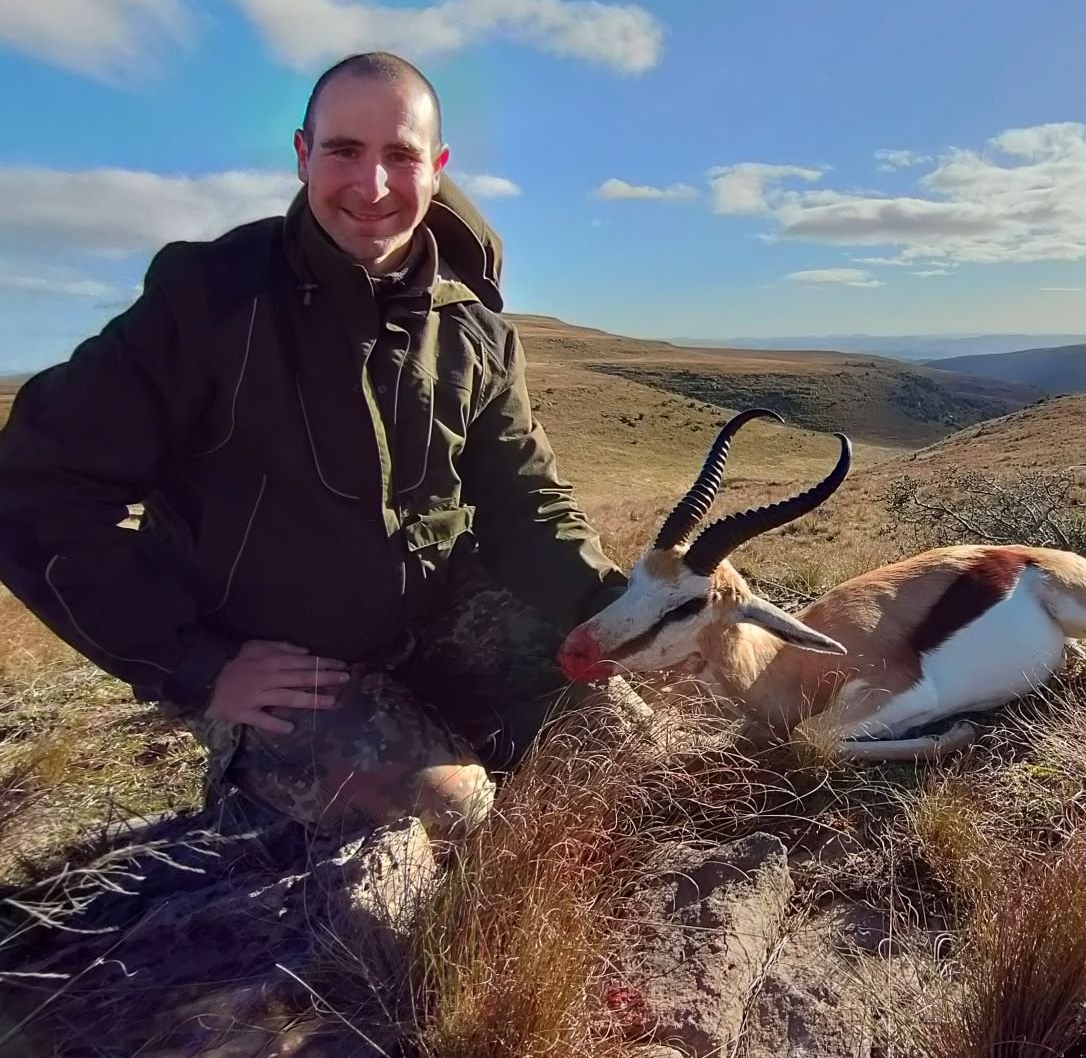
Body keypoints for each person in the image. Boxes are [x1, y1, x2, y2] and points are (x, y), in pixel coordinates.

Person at [0, 51, 639, 839]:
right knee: (453, 815)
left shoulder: (475, 331)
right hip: (281, 668)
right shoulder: (207, 302)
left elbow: (524, 499)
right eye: (345, 151)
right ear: (303, 155)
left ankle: (448, 731)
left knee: (619, 735)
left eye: (400, 156)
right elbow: (36, 487)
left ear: (436, 168)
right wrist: (194, 664)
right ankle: (265, 780)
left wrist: (613, 602)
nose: (371, 187)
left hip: (433, 620)